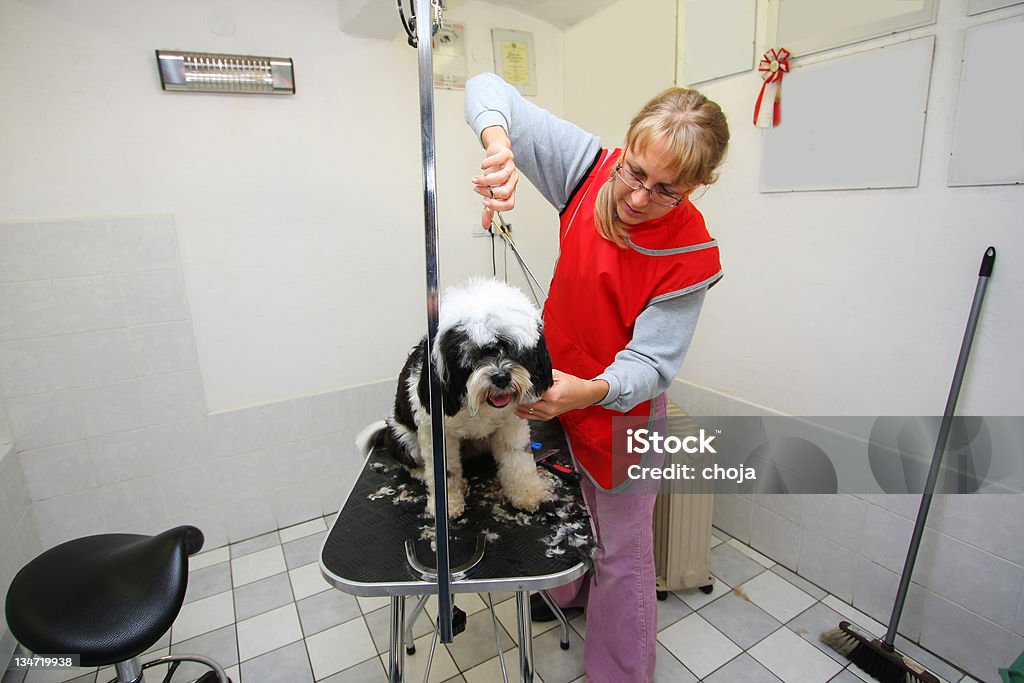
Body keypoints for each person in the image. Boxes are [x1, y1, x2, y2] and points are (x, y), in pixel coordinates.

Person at [464, 72, 729, 683]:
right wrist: (500, 147)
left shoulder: (690, 256)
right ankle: (569, 595)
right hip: (554, 396)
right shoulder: (587, 170)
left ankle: (621, 672)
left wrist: (589, 391)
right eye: (635, 171)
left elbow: (650, 365)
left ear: (698, 185)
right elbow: (486, 87)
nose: (637, 198)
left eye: (666, 189)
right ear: (627, 146)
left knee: (623, 552)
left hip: (622, 413)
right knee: (570, 510)